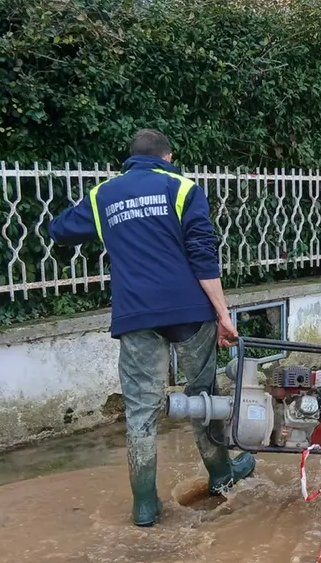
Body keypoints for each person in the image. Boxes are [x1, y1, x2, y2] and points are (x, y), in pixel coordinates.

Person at [48, 129, 255, 527]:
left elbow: (59, 230)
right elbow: (202, 254)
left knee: (141, 410)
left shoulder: (103, 195)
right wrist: (223, 314)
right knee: (203, 395)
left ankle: (144, 506)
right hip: (189, 312)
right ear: (168, 156)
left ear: (130, 160)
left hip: (136, 315)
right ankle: (221, 475)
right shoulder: (182, 189)